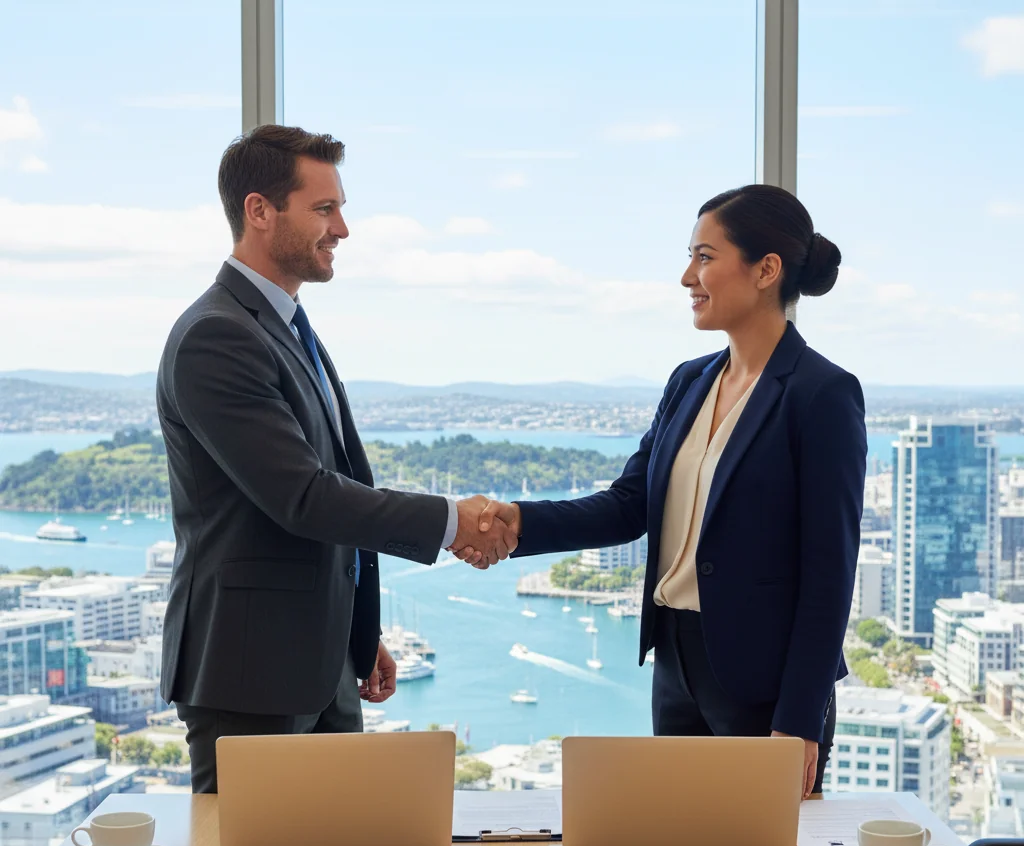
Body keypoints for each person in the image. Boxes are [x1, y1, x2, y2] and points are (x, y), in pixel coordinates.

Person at [459, 184, 866, 798]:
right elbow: (628, 504)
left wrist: (800, 719)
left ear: (766, 270)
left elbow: (830, 573)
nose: (687, 277)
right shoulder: (690, 381)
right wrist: (517, 519)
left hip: (766, 686)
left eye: (704, 257)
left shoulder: (821, 394)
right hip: (676, 663)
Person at [158, 125, 516, 793]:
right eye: (324, 209)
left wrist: (355, 632)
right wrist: (451, 520)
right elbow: (305, 498)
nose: (343, 228)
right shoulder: (217, 336)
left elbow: (333, 488)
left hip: (318, 666)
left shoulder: (288, 326)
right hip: (249, 674)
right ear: (260, 211)